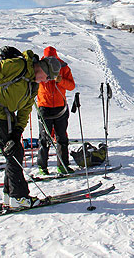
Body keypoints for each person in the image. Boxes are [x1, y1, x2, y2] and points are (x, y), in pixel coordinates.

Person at [0, 50, 61, 208]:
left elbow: (25, 110)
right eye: (48, 77)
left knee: (15, 152)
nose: (46, 80)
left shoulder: (33, 85)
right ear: (42, 68)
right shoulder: (18, 65)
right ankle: (18, 197)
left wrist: (17, 132)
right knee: (14, 154)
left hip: (7, 117)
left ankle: (11, 195)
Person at [36, 46, 75, 175]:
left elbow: (71, 86)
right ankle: (42, 167)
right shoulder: (38, 67)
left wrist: (61, 80)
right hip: (44, 107)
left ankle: (63, 165)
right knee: (44, 138)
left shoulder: (63, 68)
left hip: (60, 107)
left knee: (62, 138)